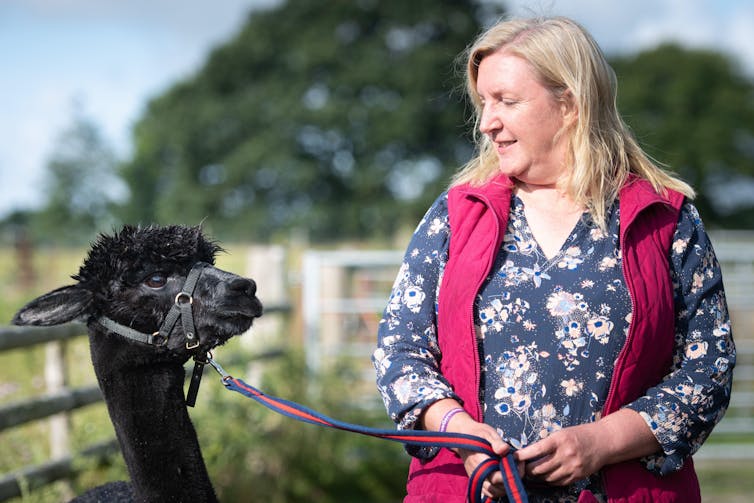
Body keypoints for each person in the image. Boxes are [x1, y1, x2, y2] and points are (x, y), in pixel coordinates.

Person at [372, 15, 735, 503]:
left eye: (507, 101)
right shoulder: (455, 215)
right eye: (484, 102)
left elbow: (708, 367)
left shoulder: (664, 219)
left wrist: (600, 443)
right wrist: (459, 431)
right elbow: (400, 350)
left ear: (570, 103)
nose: (487, 122)